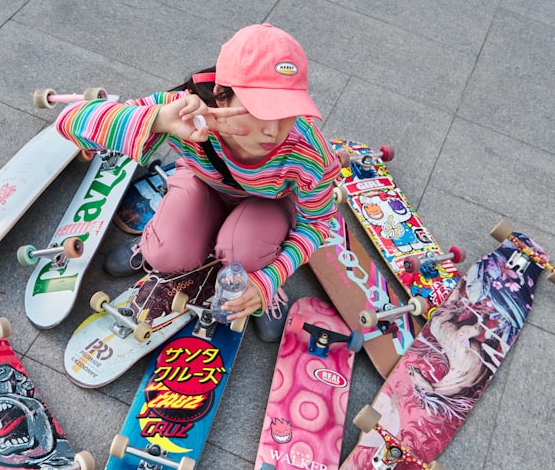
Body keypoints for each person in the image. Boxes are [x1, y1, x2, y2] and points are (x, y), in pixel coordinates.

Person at [54, 23, 340, 342]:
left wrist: (270, 279)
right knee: (166, 255)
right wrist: (159, 119)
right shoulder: (187, 110)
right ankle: (156, 242)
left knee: (243, 257)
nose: (274, 130)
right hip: (205, 183)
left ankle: (263, 279)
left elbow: (317, 223)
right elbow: (70, 122)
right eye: (261, 110)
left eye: (288, 111)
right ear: (221, 95)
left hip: (268, 202)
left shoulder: (308, 150)